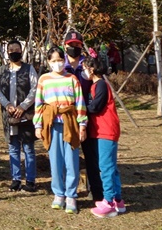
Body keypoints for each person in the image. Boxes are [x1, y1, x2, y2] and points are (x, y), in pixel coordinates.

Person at [34, 46, 88, 214]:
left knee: (71, 160)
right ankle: (59, 194)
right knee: (55, 160)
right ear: (48, 62)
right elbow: (38, 104)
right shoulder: (44, 79)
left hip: (70, 122)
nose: (57, 64)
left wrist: (82, 125)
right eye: (53, 61)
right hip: (51, 124)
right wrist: (38, 125)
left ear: (64, 60)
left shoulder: (72, 78)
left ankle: (71, 195)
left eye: (59, 60)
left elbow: (80, 102)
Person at [83, 55, 126, 218]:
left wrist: (79, 108)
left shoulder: (100, 84)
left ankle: (108, 202)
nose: (84, 71)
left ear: (92, 69)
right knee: (111, 167)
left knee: (106, 167)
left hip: (106, 131)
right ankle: (118, 200)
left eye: (85, 68)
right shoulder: (99, 85)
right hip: (105, 130)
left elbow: (95, 107)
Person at [64, 29, 103, 202]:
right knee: (66, 155)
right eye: (71, 45)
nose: (74, 47)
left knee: (91, 155)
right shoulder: (59, 65)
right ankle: (67, 192)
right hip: (65, 117)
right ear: (65, 46)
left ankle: (95, 191)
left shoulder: (87, 66)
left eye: (78, 45)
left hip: (88, 116)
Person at [0, 40, 38, 192]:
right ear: (7, 52)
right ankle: (15, 179)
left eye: (17, 49)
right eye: (11, 49)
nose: (14, 52)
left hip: (26, 114)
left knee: (28, 148)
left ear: (21, 51)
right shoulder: (1, 70)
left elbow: (34, 89)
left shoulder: (29, 69)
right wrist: (7, 105)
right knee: (13, 148)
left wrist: (23, 106)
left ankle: (31, 180)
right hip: (9, 115)